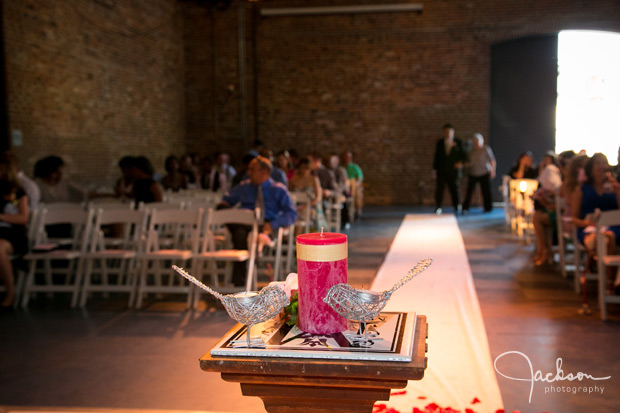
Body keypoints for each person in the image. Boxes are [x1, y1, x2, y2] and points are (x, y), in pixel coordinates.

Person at [218, 156, 297, 286]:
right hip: (243, 222)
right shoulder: (244, 187)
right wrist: (225, 205)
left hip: (265, 225)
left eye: (252, 170)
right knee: (225, 213)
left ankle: (240, 281)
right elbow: (225, 200)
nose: (248, 172)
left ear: (264, 172)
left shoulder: (278, 189)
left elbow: (292, 214)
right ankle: (244, 280)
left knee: (240, 235)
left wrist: (272, 224)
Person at [571, 153, 620, 292]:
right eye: (598, 163)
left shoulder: (612, 187)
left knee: (609, 235)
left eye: (604, 163)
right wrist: (587, 224)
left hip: (614, 227)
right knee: (606, 237)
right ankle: (610, 283)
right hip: (589, 228)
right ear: (591, 168)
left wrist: (618, 192)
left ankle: (610, 281)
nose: (601, 166)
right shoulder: (581, 189)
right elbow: (574, 218)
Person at [0, 160, 29, 308]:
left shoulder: (18, 192)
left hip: (13, 236)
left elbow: (23, 218)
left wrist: (2, 217)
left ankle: (10, 292)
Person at [432, 123, 466, 214]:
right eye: (445, 131)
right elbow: (437, 156)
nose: (447, 133)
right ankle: (438, 206)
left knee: (454, 189)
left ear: (452, 132)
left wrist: (460, 163)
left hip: (453, 171)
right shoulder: (440, 143)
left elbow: (464, 155)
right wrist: (434, 169)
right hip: (442, 170)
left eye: (449, 131)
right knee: (439, 189)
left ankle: (457, 206)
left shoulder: (458, 142)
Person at [289, 158, 327, 231]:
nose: (304, 170)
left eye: (306, 168)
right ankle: (292, 237)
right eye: (302, 168)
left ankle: (298, 237)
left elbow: (317, 198)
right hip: (296, 205)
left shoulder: (314, 179)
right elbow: (290, 195)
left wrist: (306, 205)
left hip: (311, 206)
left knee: (304, 212)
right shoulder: (294, 179)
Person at [462, 133, 496, 214]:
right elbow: (470, 163)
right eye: (475, 142)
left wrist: (492, 171)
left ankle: (488, 207)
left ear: (481, 142)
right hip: (473, 173)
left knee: (486, 191)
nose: (476, 143)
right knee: (469, 191)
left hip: (484, 172)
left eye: (477, 142)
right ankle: (465, 208)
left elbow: (492, 160)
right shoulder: (471, 151)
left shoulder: (486, 149)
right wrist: (463, 164)